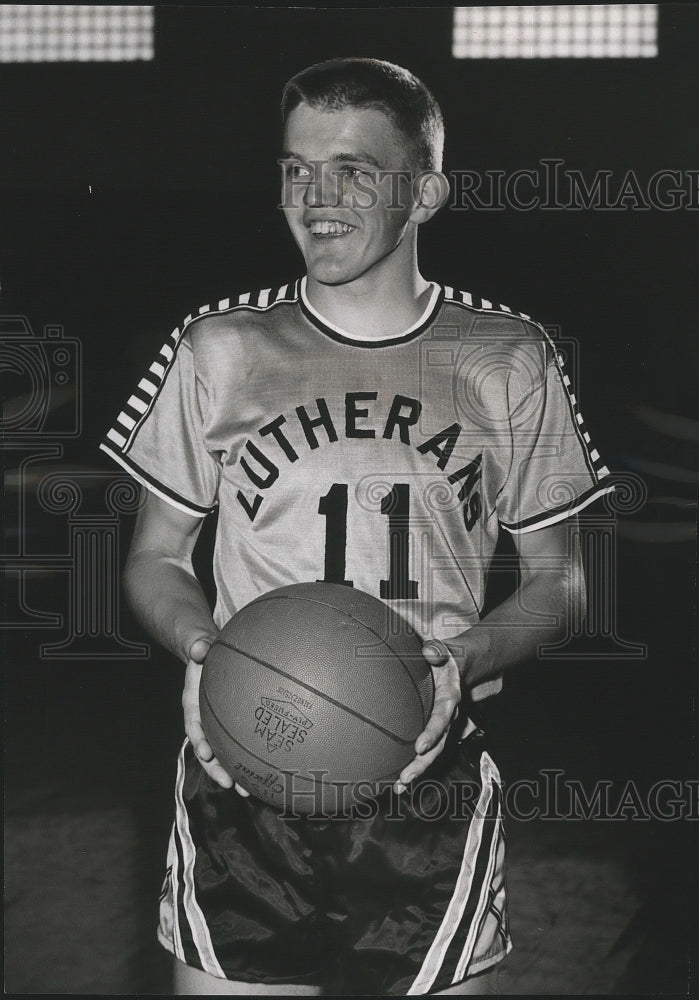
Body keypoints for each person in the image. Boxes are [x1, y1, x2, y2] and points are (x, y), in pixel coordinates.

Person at [100, 58, 614, 995]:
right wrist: (203, 648)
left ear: (425, 193)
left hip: (427, 777)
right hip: (241, 775)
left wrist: (463, 659)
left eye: (352, 169)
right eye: (296, 169)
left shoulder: (507, 355)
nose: (316, 197)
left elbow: (560, 582)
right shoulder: (218, 345)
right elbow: (153, 558)